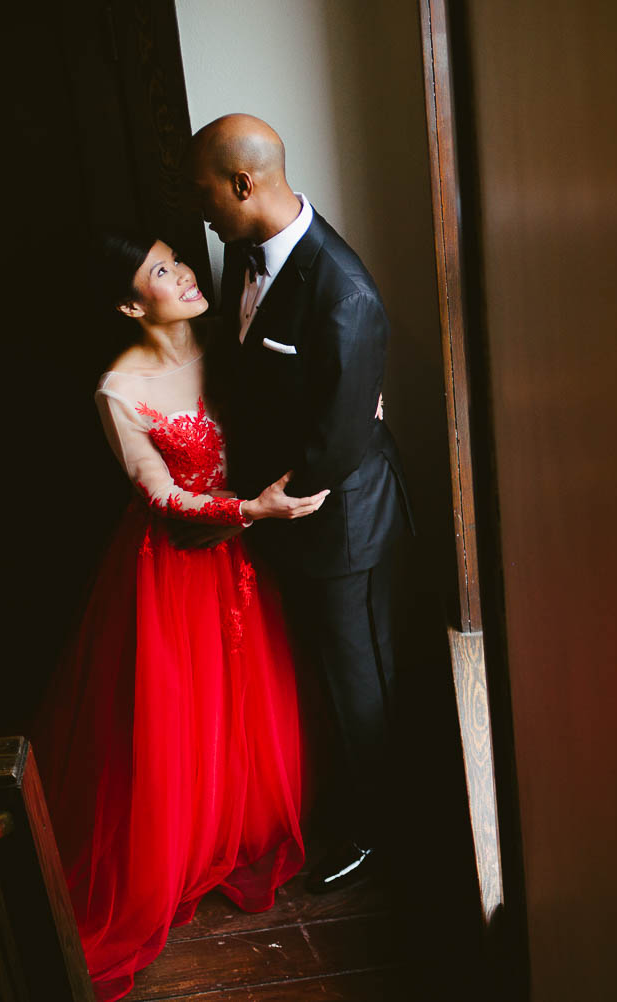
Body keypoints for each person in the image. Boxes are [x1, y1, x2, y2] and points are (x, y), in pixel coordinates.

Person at [29, 230, 328, 1002]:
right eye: (162, 271)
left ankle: (246, 829)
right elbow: (157, 492)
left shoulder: (233, 337)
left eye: (179, 259)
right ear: (133, 303)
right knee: (186, 714)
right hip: (177, 566)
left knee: (255, 696)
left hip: (249, 555)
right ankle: (183, 851)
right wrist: (249, 509)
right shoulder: (118, 388)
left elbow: (286, 403)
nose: (187, 273)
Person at [182, 113, 414, 894]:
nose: (201, 206)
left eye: (205, 189)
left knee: (360, 690)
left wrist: (248, 507)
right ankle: (348, 810)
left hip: (342, 528)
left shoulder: (344, 292)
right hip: (284, 521)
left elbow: (337, 445)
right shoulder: (238, 253)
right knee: (317, 679)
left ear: (244, 184)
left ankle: (384, 840)